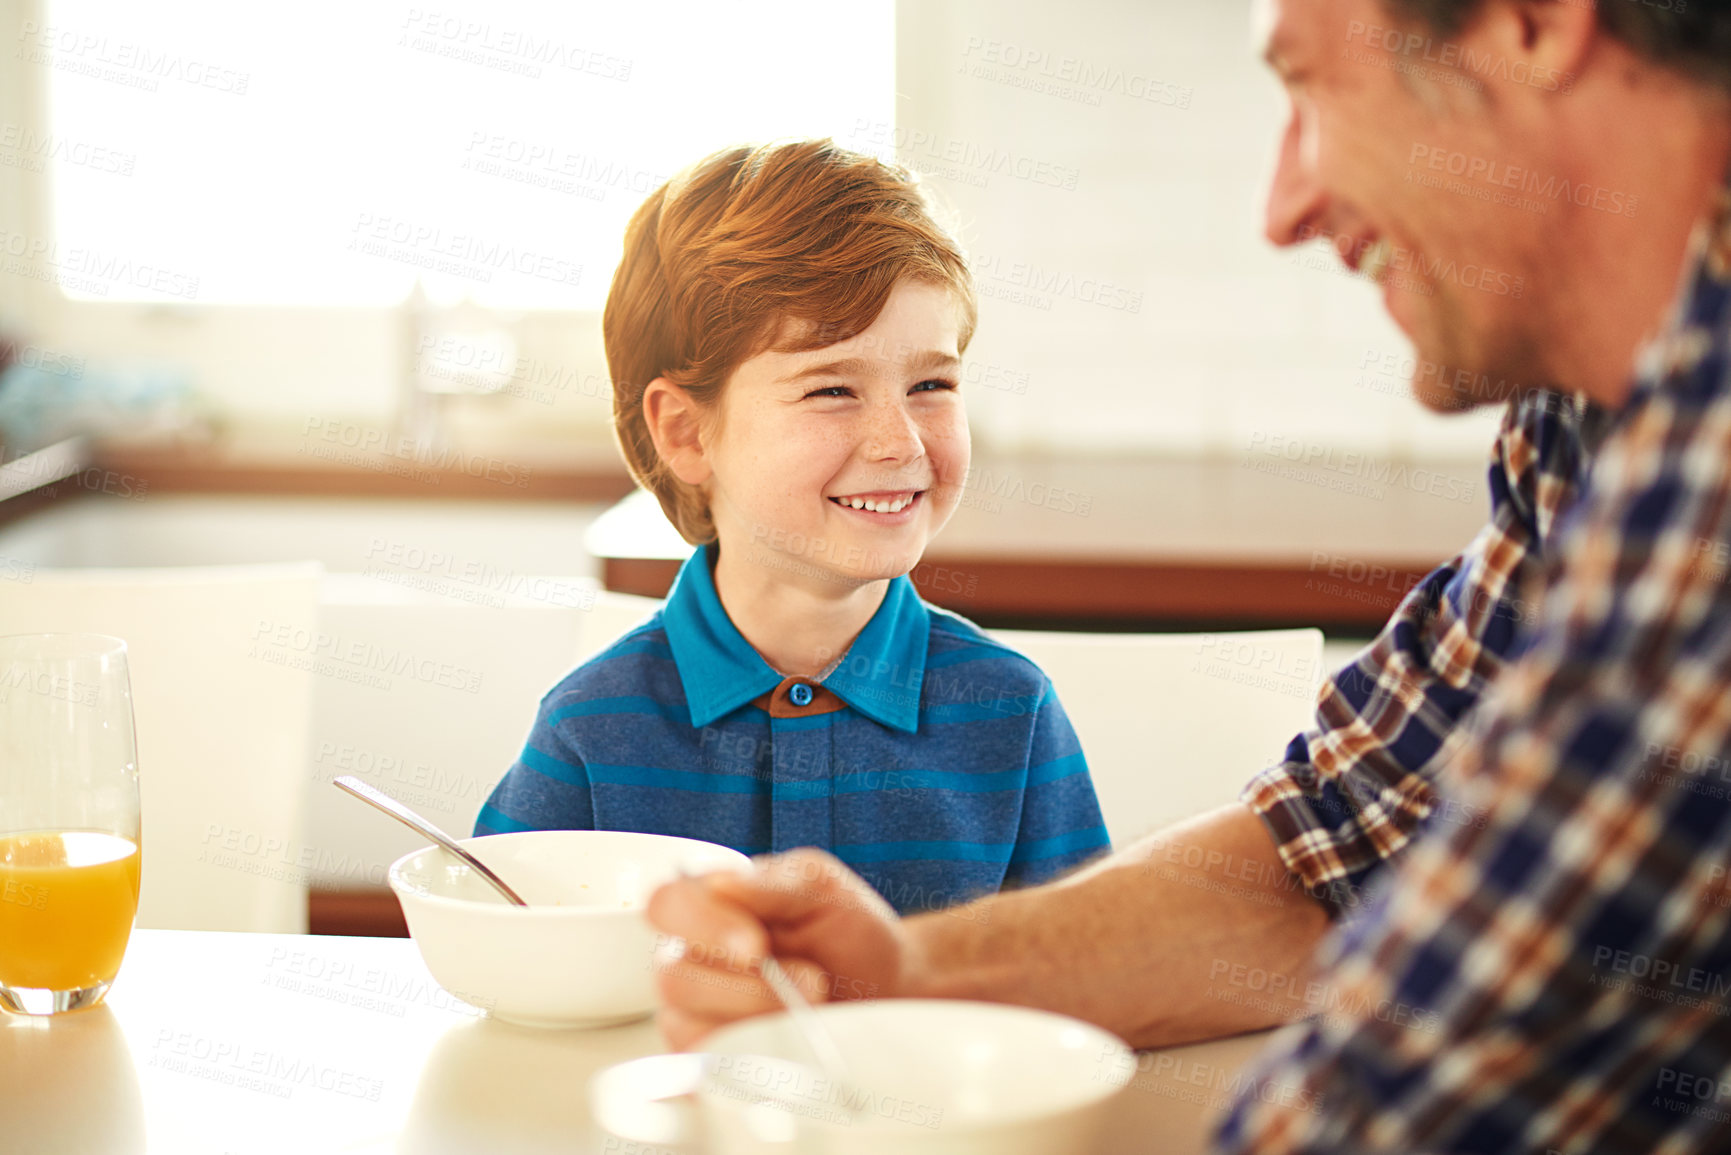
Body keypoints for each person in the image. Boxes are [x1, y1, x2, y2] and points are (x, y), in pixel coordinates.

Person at [646, 2, 1731, 1151]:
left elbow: (1430, 1106)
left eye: (1312, 88)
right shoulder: (1586, 424)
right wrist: (905, 972)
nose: (1284, 208)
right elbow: (1335, 853)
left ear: (1533, 24)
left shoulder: (1704, 459)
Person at [475, 140, 1110, 917]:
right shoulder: (590, 728)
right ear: (684, 433)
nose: (901, 443)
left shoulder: (1012, 714)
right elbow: (510, 965)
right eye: (833, 389)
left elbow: (1081, 988)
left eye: (931, 384)